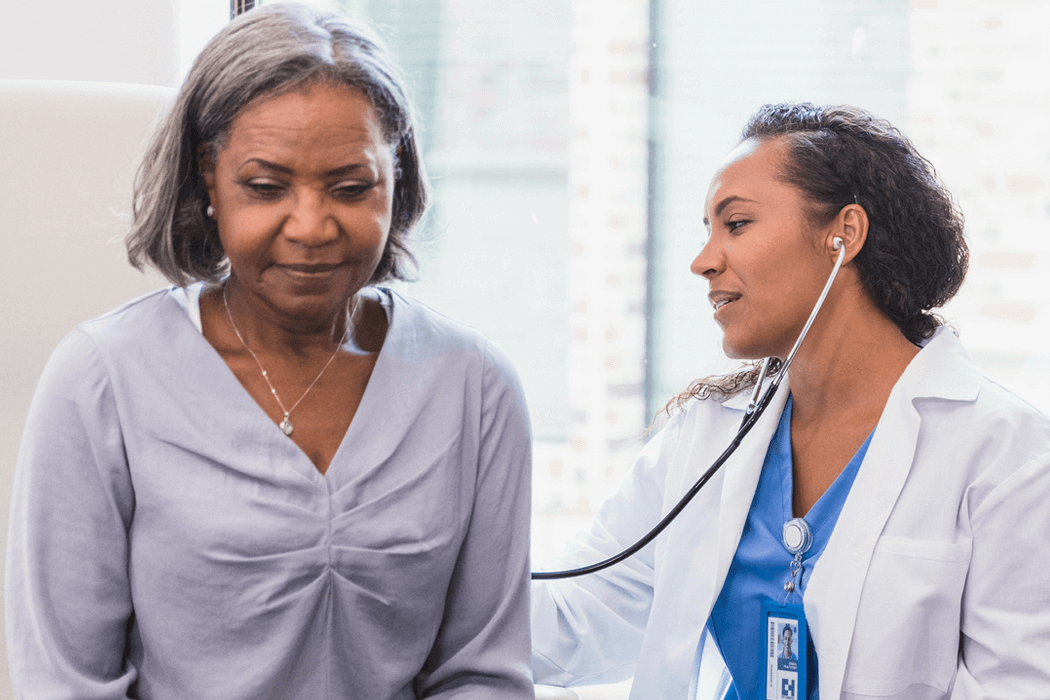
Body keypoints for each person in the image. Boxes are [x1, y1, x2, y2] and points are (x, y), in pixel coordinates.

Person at [5, 4, 533, 699]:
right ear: (209, 181)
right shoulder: (102, 379)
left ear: (396, 176)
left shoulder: (475, 387)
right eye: (266, 187)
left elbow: (483, 674)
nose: (311, 227)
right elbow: (66, 684)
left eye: (351, 188)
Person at [531, 103, 1050, 699]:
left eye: (736, 224)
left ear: (843, 236)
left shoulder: (1007, 457)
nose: (703, 261)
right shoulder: (705, 438)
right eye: (707, 230)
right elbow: (582, 613)